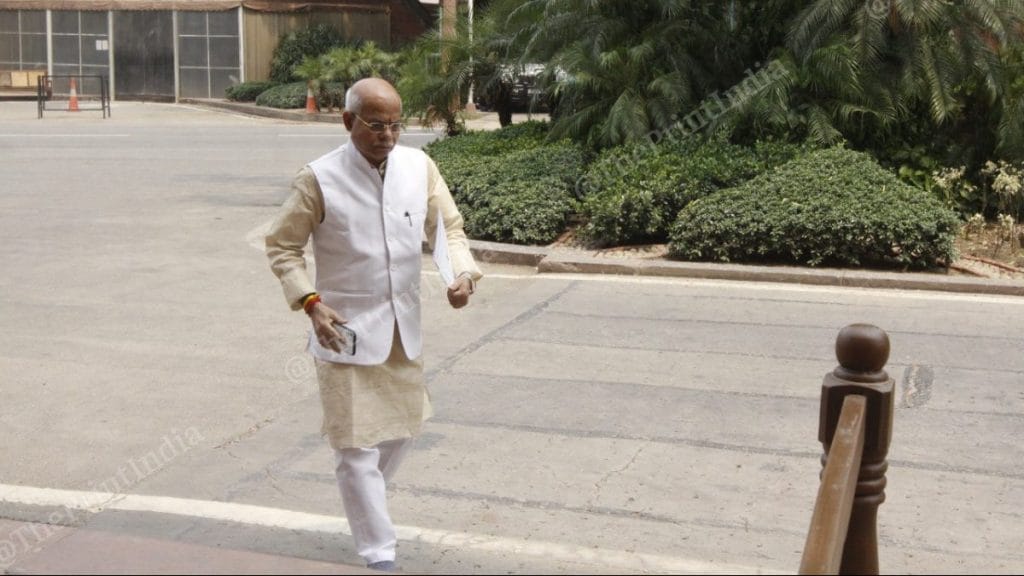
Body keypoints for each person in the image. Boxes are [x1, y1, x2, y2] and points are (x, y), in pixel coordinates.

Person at [264, 77, 482, 571]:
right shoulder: (318, 178)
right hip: (343, 330)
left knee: (403, 430)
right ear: (348, 122)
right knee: (356, 448)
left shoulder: (419, 167)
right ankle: (380, 554)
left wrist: (462, 273)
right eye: (376, 124)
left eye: (395, 124)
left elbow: (447, 227)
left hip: (403, 329)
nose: (388, 134)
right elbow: (282, 246)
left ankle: (364, 499)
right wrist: (311, 302)